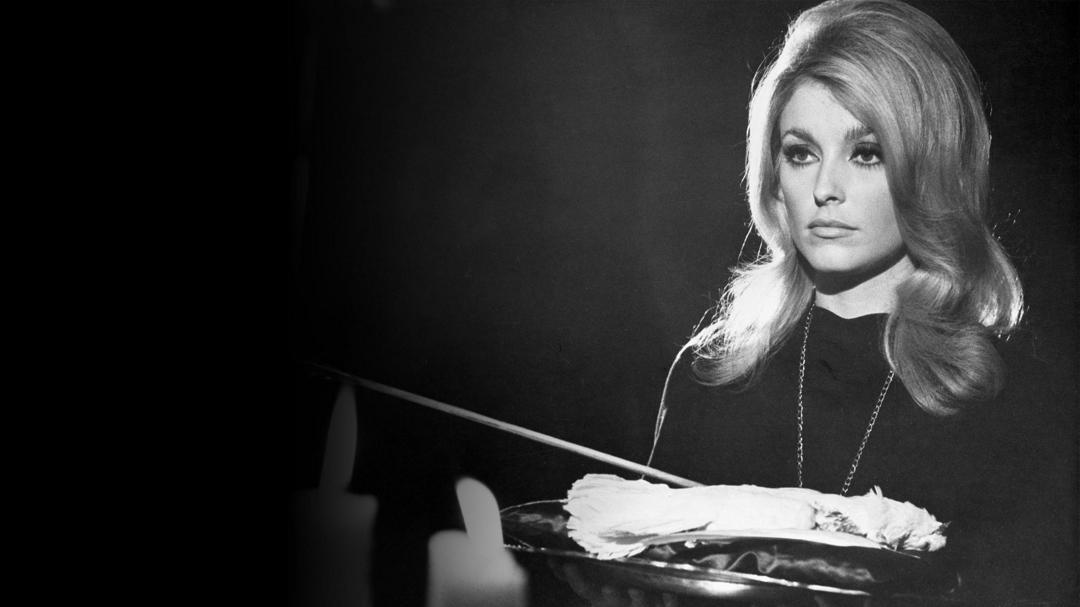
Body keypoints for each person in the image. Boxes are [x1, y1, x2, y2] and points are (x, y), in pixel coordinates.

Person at [557, 0, 1077, 605]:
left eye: (867, 153)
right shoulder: (715, 374)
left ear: (930, 171)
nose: (826, 189)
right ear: (774, 177)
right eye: (801, 153)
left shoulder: (1012, 399)